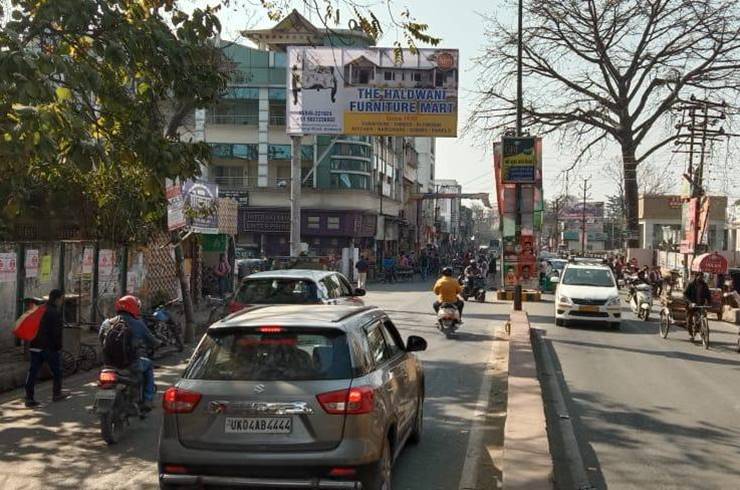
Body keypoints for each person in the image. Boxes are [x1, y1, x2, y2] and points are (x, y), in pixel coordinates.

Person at [99, 295, 160, 410]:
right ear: (134, 308)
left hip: (109, 365)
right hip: (131, 364)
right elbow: (152, 342)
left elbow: (101, 339)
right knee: (148, 364)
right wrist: (158, 343)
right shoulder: (138, 324)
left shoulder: (107, 323)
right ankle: (148, 399)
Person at [25, 289, 68, 408]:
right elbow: (56, 333)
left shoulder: (39, 309)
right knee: (57, 371)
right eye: (62, 299)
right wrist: (58, 347)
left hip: (35, 345)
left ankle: (29, 398)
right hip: (48, 347)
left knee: (32, 372)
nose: (62, 302)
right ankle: (57, 394)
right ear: (57, 299)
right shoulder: (54, 312)